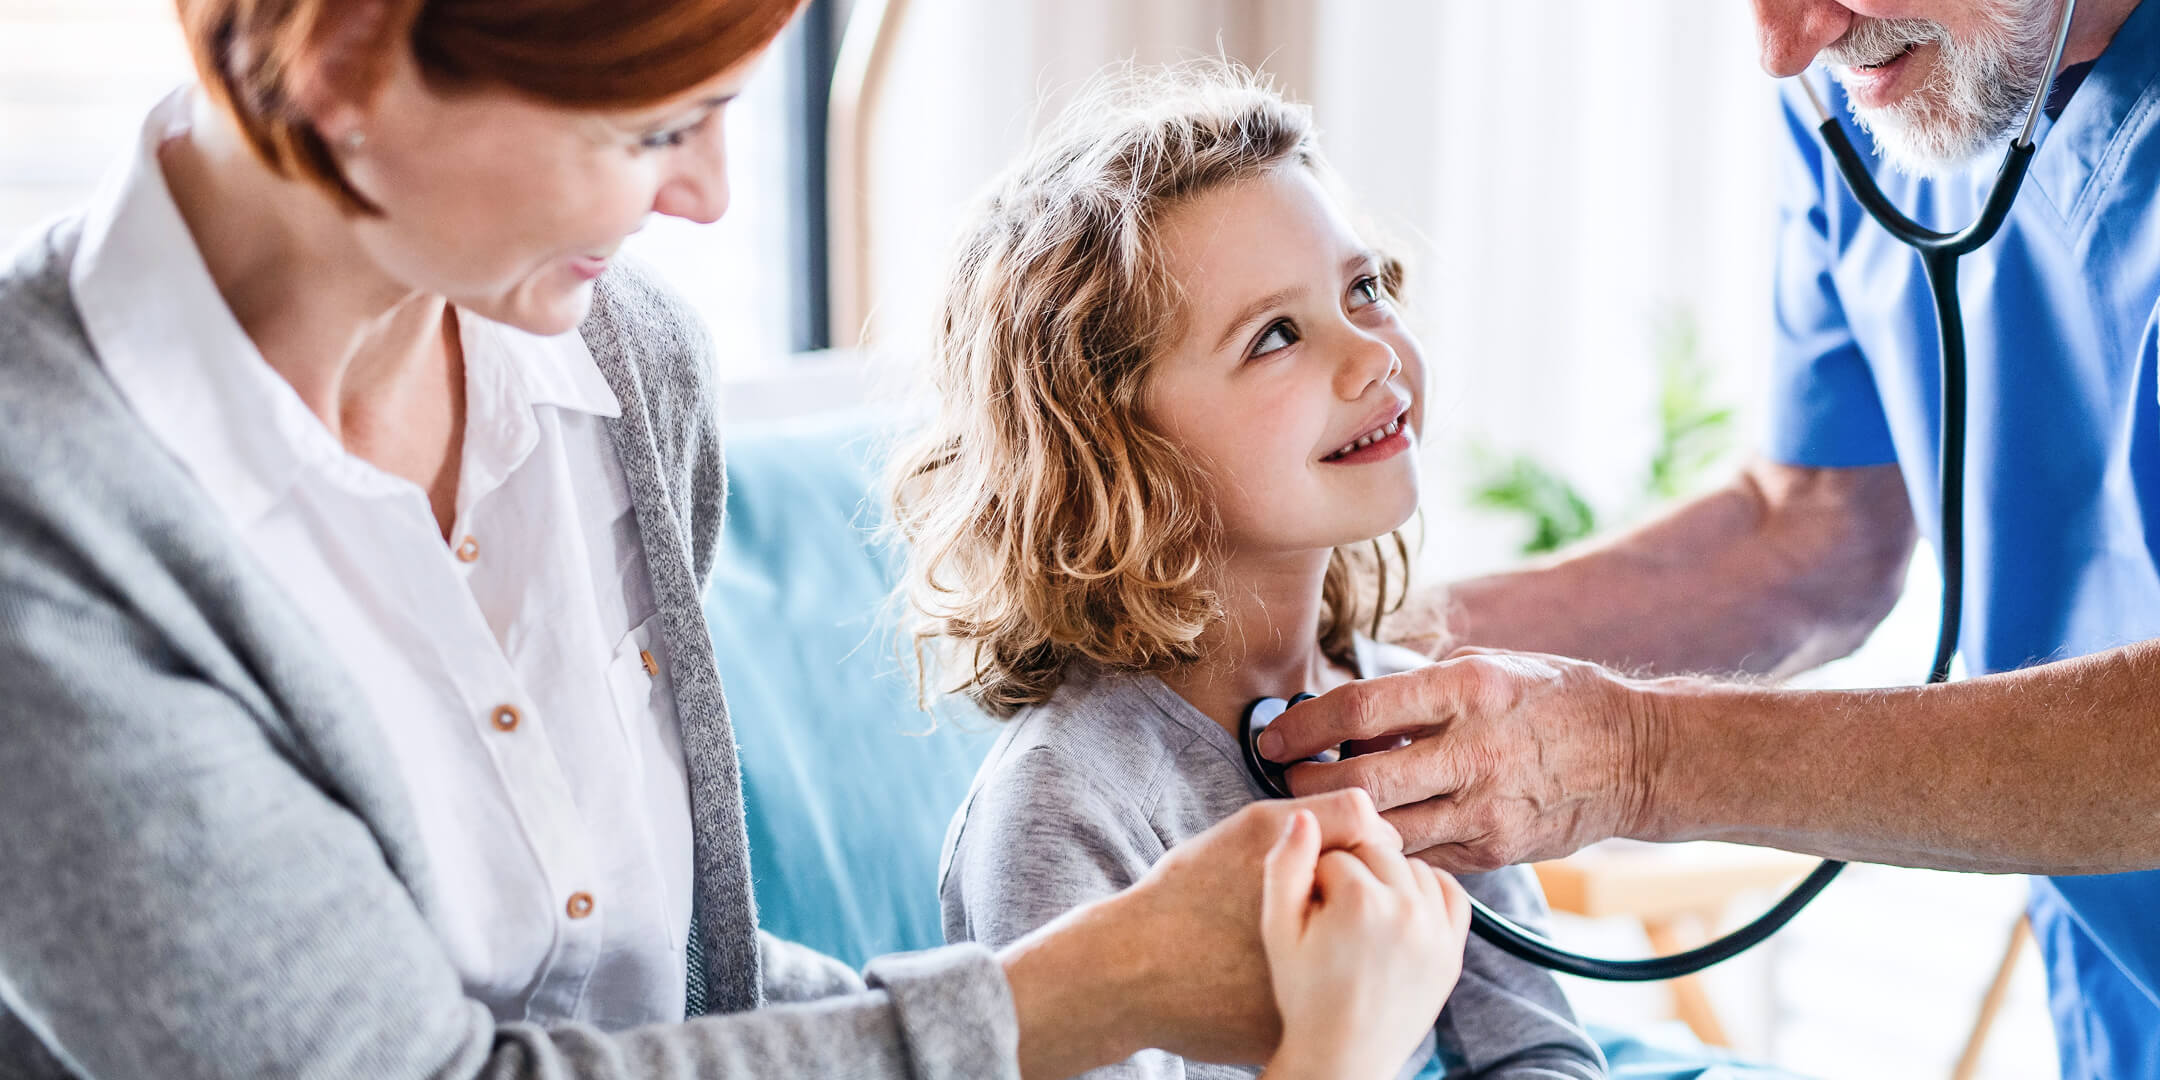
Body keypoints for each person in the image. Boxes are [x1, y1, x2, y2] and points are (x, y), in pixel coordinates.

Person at [0, 1, 1413, 1076]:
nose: (712, 197)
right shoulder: (51, 530)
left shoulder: (626, 365)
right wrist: (1080, 994)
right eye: (651, 129)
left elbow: (684, 991)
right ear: (346, 57)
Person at [1253, 1, 2160, 1076]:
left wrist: (1638, 757)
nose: (1785, 47)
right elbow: (1812, 535)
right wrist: (1335, 649)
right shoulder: (1871, 84)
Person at [890, 67, 1604, 1080]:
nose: (1373, 357)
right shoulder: (1067, 804)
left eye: (1363, 290)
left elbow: (1538, 1050)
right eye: (1276, 335)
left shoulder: (1408, 717)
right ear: (1111, 449)